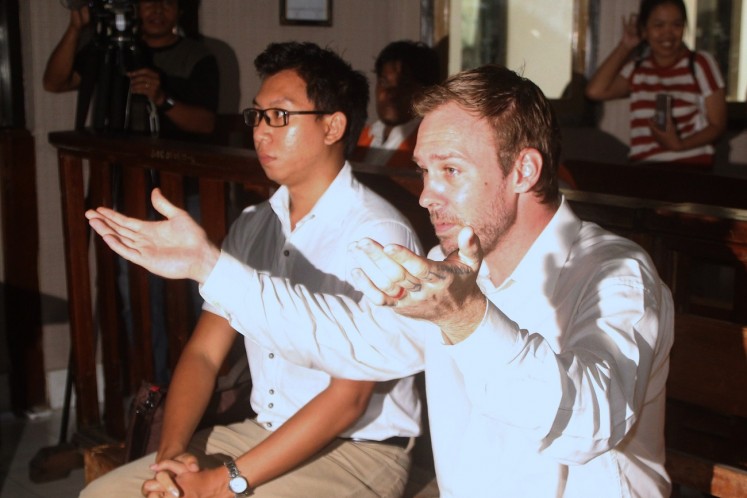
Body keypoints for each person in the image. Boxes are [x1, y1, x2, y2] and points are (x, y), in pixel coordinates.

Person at [87, 64, 675, 497]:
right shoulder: (458, 267)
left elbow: (587, 424)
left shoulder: (614, 274)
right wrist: (211, 267)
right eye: (424, 171)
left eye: (450, 171)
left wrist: (466, 318)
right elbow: (350, 337)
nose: (426, 195)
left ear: (524, 169)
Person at [80, 41, 422, 498]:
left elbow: (350, 399)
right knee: (102, 495)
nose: (261, 132)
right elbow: (204, 353)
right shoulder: (254, 224)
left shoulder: (379, 233)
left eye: (280, 116)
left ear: (333, 125)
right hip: (265, 430)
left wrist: (224, 481)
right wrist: (172, 457)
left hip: (358, 450)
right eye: (257, 116)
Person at [43, 0, 218, 140]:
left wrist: (162, 99)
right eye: (149, 2)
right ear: (134, 7)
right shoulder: (109, 49)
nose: (158, 10)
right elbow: (54, 83)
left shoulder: (196, 55)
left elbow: (206, 124)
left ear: (180, 10)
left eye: (168, 3)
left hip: (173, 166)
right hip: (117, 161)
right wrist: (75, 29)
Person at [585, 0, 726, 166]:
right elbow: (595, 91)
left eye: (676, 24)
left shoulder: (699, 64)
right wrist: (626, 46)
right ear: (644, 30)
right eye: (659, 25)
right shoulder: (637, 69)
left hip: (691, 168)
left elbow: (718, 125)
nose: (668, 33)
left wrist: (679, 145)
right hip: (645, 170)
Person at [351, 40, 440, 168]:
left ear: (426, 91)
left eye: (403, 84)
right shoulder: (361, 137)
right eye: (384, 82)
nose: (390, 93)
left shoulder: (431, 143)